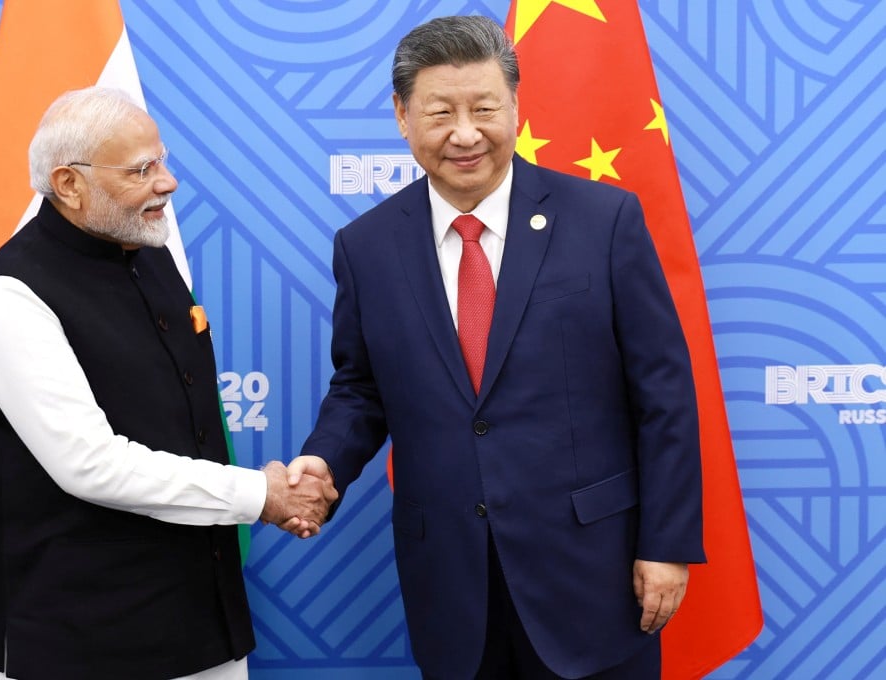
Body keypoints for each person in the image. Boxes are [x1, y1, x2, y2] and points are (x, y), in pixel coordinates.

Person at [288, 15, 704, 680]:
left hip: (594, 574)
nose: (464, 133)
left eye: (484, 108)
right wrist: (324, 461)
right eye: (439, 112)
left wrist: (668, 543)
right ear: (401, 116)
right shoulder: (365, 248)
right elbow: (360, 387)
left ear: (514, 105)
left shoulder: (605, 221)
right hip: (452, 582)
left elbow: (665, 397)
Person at [0, 86, 336, 680]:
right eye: (142, 169)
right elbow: (90, 465)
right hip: (87, 636)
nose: (168, 183)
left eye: (162, 160)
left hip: (203, 616)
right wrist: (261, 495)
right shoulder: (13, 294)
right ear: (69, 184)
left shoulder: (147, 249)